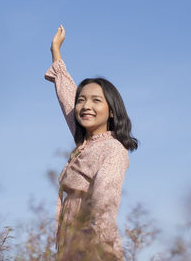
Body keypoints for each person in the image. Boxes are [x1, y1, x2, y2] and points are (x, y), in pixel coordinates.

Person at [45, 25, 138, 261]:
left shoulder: (112, 150)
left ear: (112, 111)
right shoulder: (85, 141)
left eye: (96, 100)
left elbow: (104, 205)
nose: (86, 106)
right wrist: (56, 51)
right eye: (82, 100)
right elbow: (67, 97)